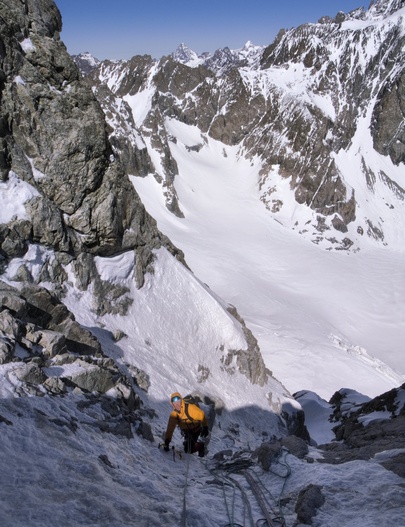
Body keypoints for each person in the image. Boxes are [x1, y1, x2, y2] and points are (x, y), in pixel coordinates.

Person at [164, 392, 209, 457]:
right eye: (175, 403)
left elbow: (201, 415)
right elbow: (170, 429)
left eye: (178, 402)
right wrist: (167, 442)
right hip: (186, 431)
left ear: (181, 401)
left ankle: (200, 446)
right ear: (172, 404)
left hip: (195, 430)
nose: (177, 405)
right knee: (188, 446)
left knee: (188, 450)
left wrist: (205, 426)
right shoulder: (174, 415)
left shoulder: (190, 409)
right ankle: (188, 442)